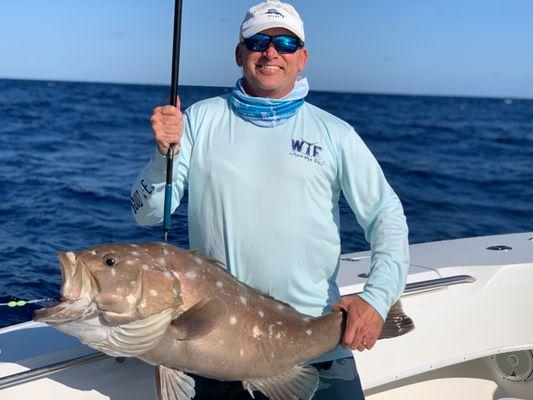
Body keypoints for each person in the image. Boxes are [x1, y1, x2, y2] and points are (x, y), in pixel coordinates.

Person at [131, 1, 409, 399]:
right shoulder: (197, 121)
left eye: (286, 43)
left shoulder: (336, 133)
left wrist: (378, 299)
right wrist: (163, 157)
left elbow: (386, 215)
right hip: (215, 350)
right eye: (259, 41)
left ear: (303, 58)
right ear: (240, 53)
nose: (271, 51)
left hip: (316, 343)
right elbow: (147, 213)